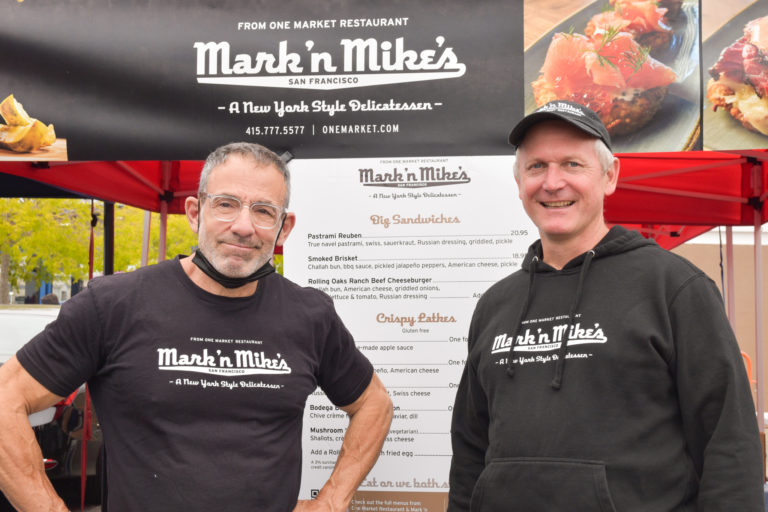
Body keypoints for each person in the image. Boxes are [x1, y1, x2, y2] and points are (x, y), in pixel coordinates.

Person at [0, 142, 393, 511]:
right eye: (226, 204)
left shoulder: (310, 315)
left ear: (283, 228)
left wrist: (333, 500)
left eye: (263, 211)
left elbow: (374, 404)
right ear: (194, 212)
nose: (243, 226)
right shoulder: (114, 305)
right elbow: (6, 400)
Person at [448, 101, 765, 511]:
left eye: (572, 165)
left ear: (610, 175)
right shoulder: (496, 305)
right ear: (519, 181)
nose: (553, 182)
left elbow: (729, 443)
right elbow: (470, 450)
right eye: (537, 166)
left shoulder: (674, 288)